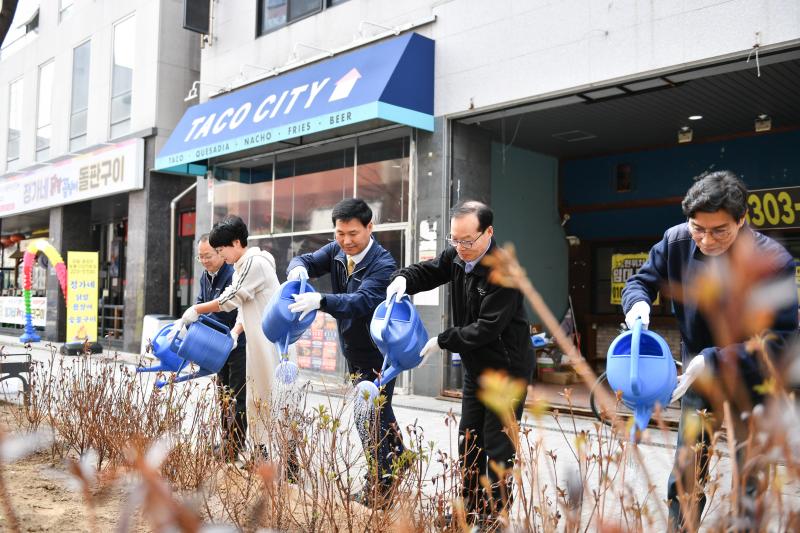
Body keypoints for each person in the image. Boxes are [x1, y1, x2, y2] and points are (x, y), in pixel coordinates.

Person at [621, 171, 798, 532]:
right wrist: (637, 304)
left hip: (752, 385)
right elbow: (640, 281)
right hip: (696, 381)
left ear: (742, 220)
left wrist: (713, 359)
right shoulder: (676, 241)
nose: (705, 239)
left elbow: (780, 339)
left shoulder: (773, 262)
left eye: (719, 231)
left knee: (749, 476)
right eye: (697, 228)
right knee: (686, 472)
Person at [387, 200, 531, 524]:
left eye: (467, 241)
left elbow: (487, 327)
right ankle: (468, 513)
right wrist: (403, 280)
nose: (460, 248)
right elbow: (430, 270)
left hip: (506, 371)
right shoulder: (456, 254)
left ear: (488, 232)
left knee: (497, 446)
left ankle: (494, 519)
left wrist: (442, 340)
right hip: (476, 367)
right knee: (468, 440)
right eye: (455, 240)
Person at [285, 198, 402, 506]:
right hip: (354, 349)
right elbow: (306, 260)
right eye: (340, 233)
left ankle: (380, 486)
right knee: (379, 411)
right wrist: (297, 269)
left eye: (353, 233)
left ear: (369, 227)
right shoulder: (336, 251)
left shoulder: (383, 264)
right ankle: (400, 459)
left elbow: (361, 301)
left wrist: (321, 301)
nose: (346, 241)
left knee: (366, 417)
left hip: (379, 353)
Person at [171, 215, 280, 463]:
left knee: (262, 399)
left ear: (236, 242)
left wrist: (197, 310)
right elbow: (245, 306)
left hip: (263, 343)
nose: (219, 256)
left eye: (219, 251)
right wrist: (236, 332)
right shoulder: (244, 265)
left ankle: (283, 460)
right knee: (253, 399)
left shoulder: (253, 263)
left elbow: (230, 299)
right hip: (248, 341)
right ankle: (260, 455)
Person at [195, 234, 247, 462]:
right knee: (222, 394)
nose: (204, 261)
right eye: (200, 257)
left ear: (220, 252)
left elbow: (230, 308)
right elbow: (200, 303)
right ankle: (227, 439)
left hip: (237, 344)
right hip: (216, 346)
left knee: (237, 396)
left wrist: (201, 311)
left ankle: (234, 445)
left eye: (208, 256)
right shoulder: (205, 277)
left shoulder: (232, 274)